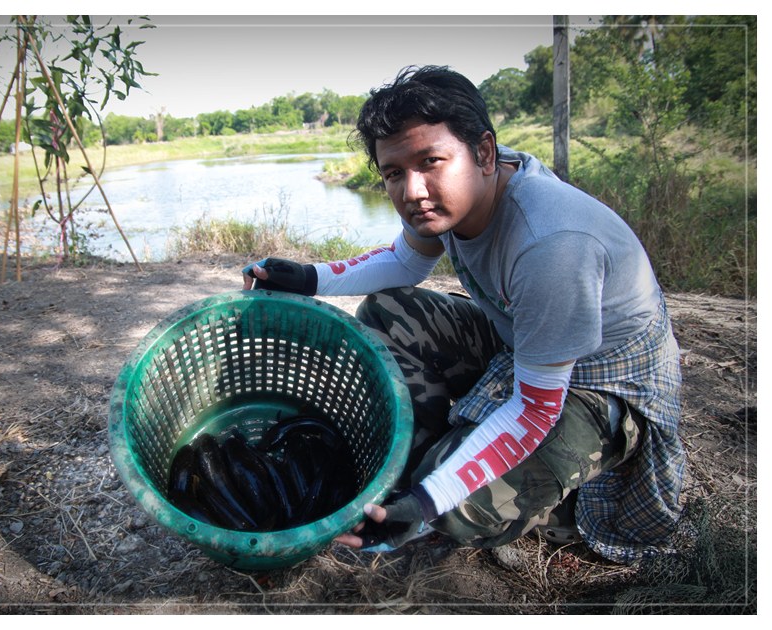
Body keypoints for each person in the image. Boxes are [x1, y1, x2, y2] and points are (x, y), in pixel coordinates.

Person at [242, 65, 686, 564]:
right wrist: (307, 278)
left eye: (431, 161)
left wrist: (430, 500)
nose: (412, 191)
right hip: (527, 347)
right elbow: (405, 262)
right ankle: (434, 450)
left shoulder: (553, 247)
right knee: (389, 311)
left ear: (484, 152)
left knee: (454, 505)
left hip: (602, 385)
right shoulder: (464, 192)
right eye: (393, 173)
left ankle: (566, 503)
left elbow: (535, 410)